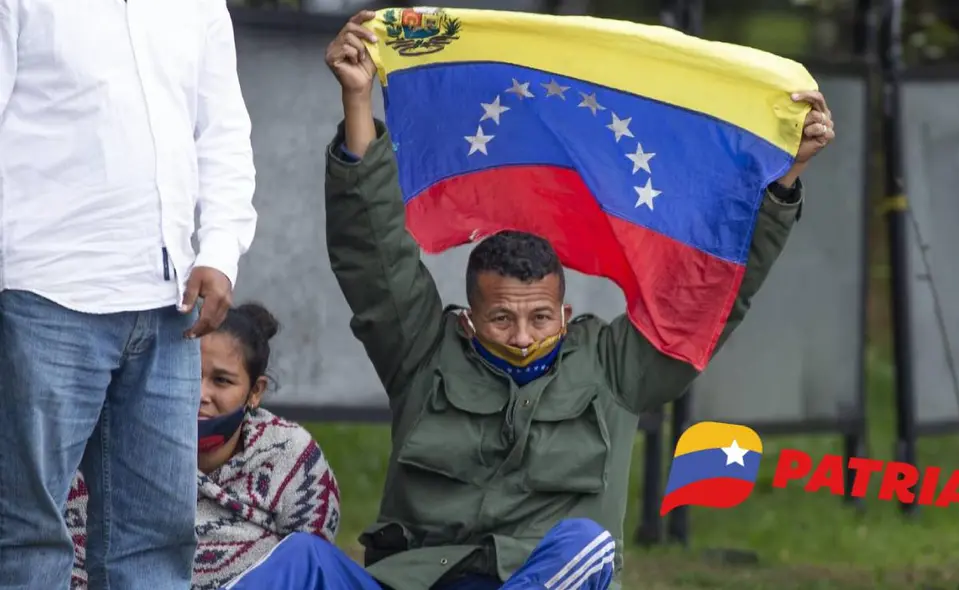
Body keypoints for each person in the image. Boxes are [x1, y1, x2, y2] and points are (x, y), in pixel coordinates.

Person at [231, 11, 836, 590]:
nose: (523, 335)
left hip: (545, 580)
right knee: (304, 561)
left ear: (565, 314)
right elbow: (373, 253)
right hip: (418, 580)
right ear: (470, 320)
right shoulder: (421, 352)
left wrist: (783, 176)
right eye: (502, 318)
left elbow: (711, 297)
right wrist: (358, 101)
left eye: (539, 317)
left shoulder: (613, 370)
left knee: (585, 544)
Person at [0, 2, 258, 589]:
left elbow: (222, 133)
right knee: (24, 534)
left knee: (156, 537)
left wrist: (219, 250)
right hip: (45, 293)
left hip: (168, 307)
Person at [63, 303, 342, 590]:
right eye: (188, 374)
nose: (200, 394)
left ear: (255, 391)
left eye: (221, 381)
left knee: (309, 555)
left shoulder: (292, 457)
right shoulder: (104, 453)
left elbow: (315, 576)